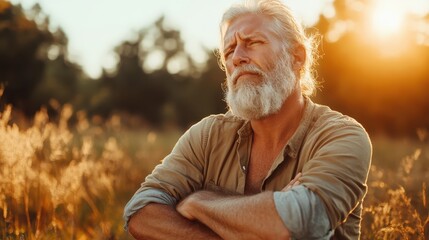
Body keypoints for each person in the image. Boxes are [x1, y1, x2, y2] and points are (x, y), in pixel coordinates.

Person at [124, 0, 372, 239]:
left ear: (297, 57)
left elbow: (299, 224)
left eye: (252, 42)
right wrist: (256, 220)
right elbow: (140, 211)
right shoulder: (207, 136)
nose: (237, 57)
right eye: (229, 50)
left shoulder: (342, 137)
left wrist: (199, 203)